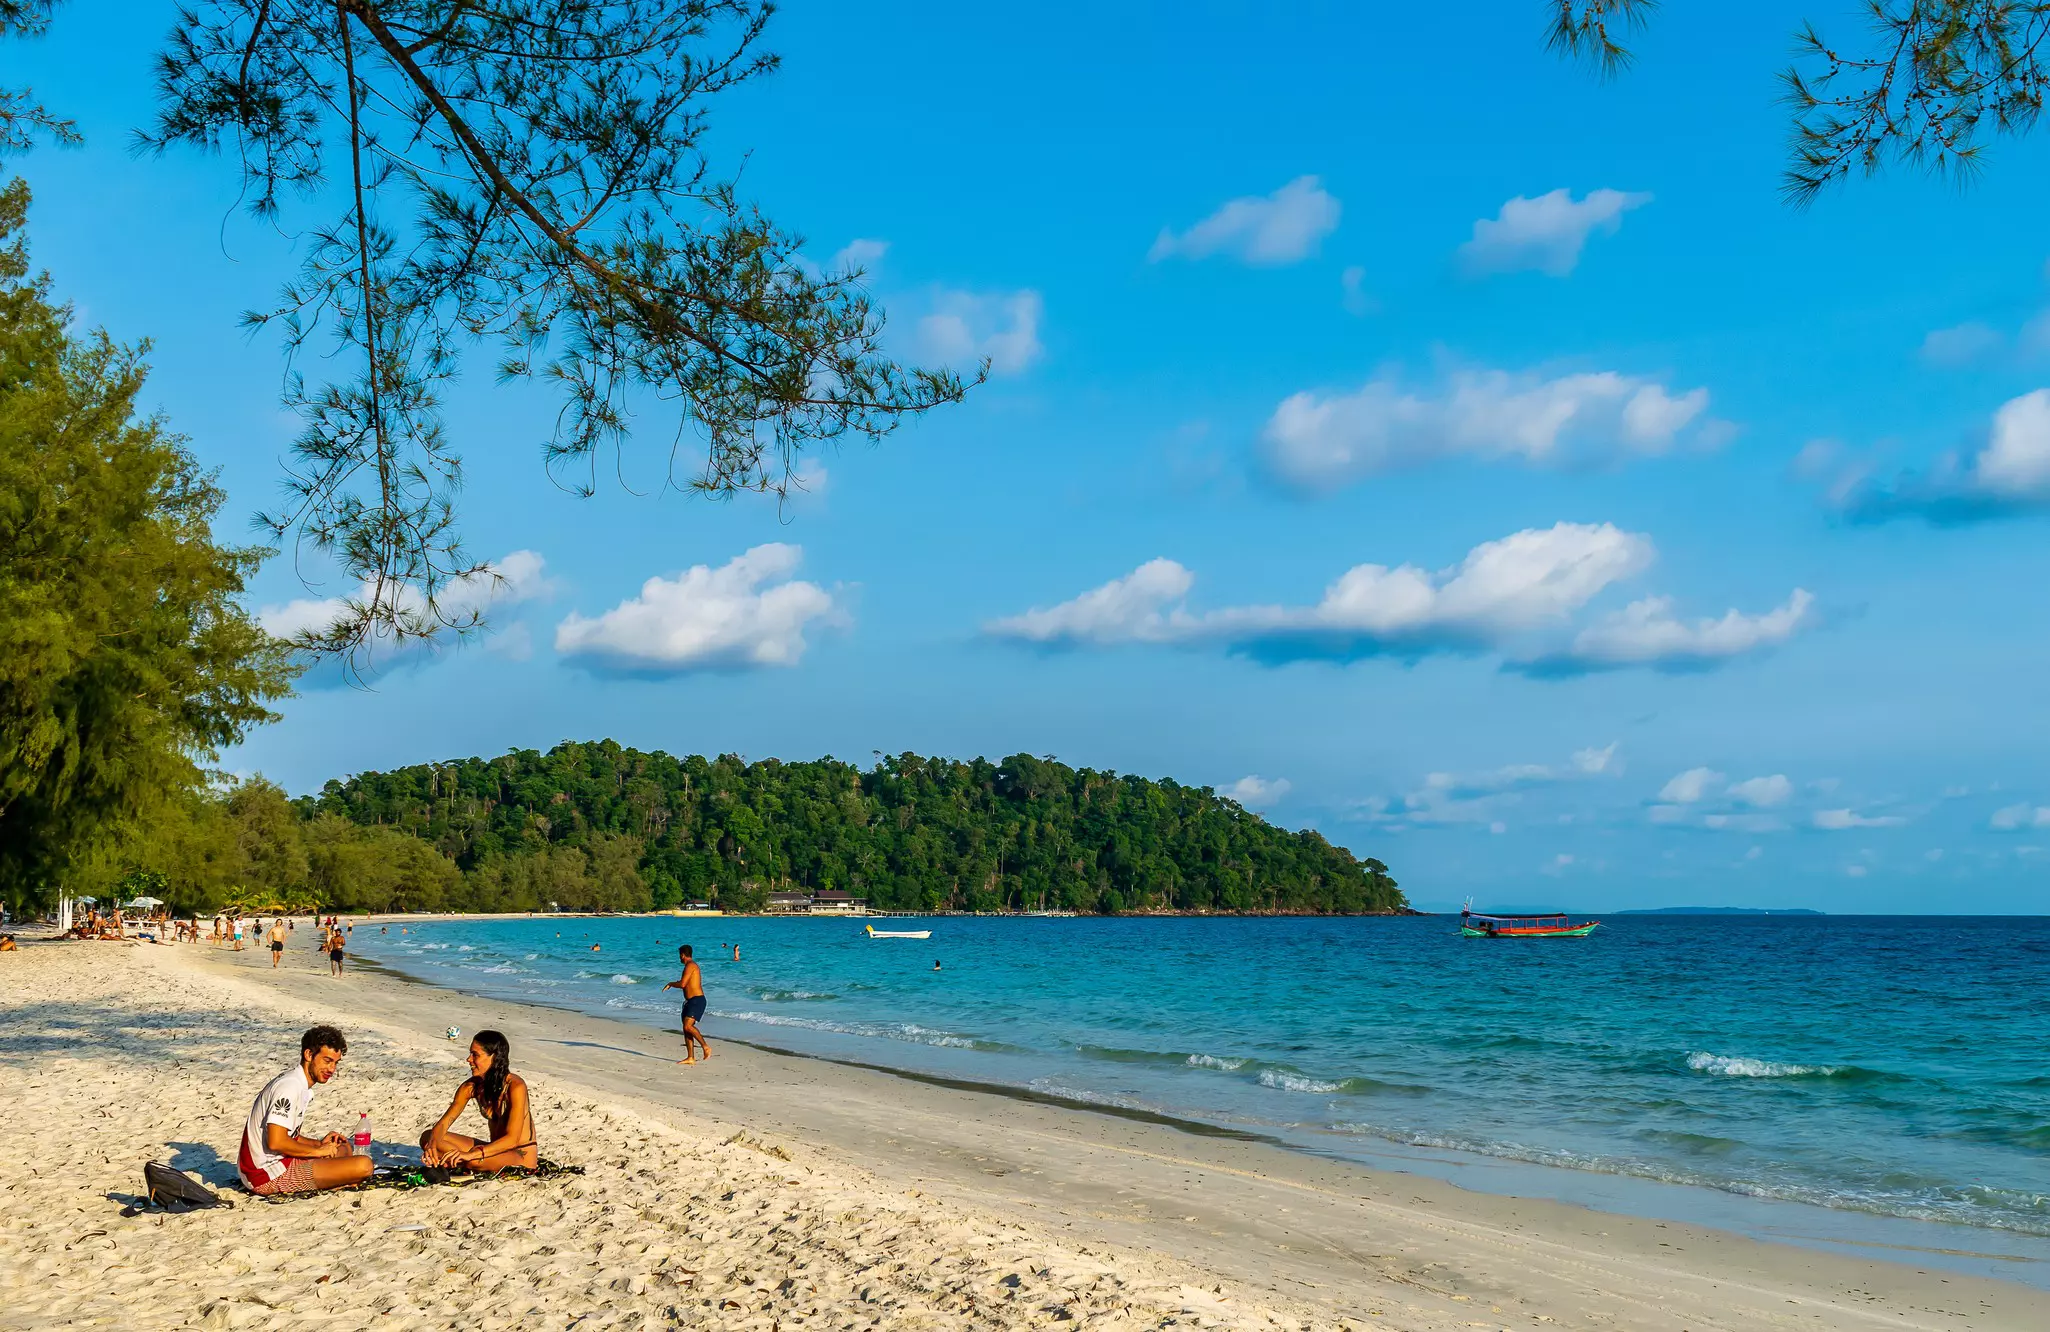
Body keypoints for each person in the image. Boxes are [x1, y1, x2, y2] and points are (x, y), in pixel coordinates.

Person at [237, 1025, 375, 1195]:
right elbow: (276, 1141)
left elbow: (288, 1136)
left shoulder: (298, 1084)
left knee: (344, 1147)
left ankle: (336, 1178)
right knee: (364, 1165)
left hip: (282, 1161)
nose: (331, 1069)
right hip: (267, 1174)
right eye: (327, 1061)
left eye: (335, 1063)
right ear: (309, 1054)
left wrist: (319, 1144)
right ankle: (335, 1181)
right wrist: (317, 1151)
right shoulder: (289, 1087)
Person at [418, 1030, 537, 1172]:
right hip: (494, 1151)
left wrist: (470, 1155)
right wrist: (432, 1145)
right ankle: (456, 1159)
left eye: (475, 1055)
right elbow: (443, 1124)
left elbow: (512, 1140)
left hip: (519, 1154)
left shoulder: (515, 1086)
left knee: (474, 1161)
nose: (469, 1059)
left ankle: (459, 1160)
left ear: (494, 1057)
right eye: (470, 1054)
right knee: (427, 1137)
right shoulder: (470, 1087)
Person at [662, 945, 710, 1064]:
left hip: (697, 1000)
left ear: (683, 954)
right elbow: (685, 983)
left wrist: (671, 984)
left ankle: (705, 1046)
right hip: (690, 1001)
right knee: (686, 1028)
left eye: (680, 955)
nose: (679, 957)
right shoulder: (688, 966)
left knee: (688, 1026)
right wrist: (674, 984)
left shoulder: (691, 965)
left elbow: (682, 984)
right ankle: (690, 1057)